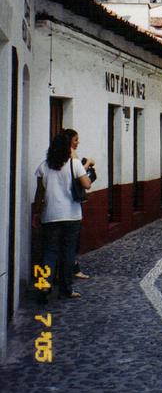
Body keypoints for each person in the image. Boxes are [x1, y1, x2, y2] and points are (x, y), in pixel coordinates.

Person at [32, 132, 92, 302]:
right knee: (68, 253)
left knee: (49, 252)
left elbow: (39, 194)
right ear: (67, 147)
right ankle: (66, 289)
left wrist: (37, 213)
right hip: (71, 215)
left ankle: (44, 286)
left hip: (50, 215)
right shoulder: (75, 164)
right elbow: (86, 184)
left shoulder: (44, 166)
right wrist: (87, 167)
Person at [62, 128, 96, 280]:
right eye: (75, 139)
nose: (78, 142)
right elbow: (81, 177)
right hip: (71, 203)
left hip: (59, 207)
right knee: (72, 241)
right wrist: (88, 163)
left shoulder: (55, 156)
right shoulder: (71, 154)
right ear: (69, 140)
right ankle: (72, 271)